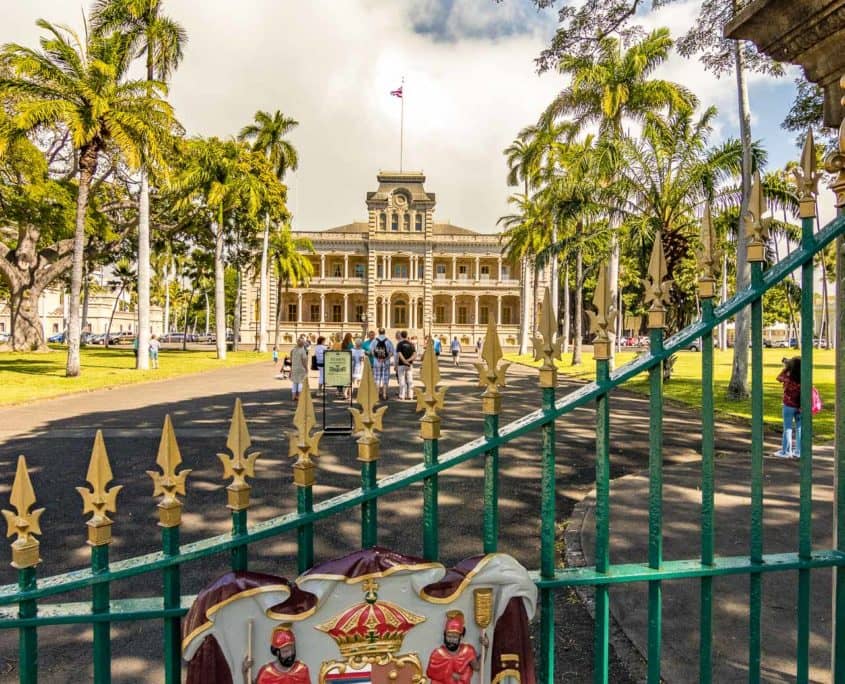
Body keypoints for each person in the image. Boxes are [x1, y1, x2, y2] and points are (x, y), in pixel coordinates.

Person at [425, 611, 486, 684]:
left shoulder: (468, 651)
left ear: (461, 637)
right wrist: (450, 674)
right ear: (445, 635)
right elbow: (430, 673)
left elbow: (477, 667)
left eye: (455, 637)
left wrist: (486, 647)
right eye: (449, 636)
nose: (451, 640)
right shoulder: (437, 654)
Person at [242, 624, 311, 684]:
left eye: (292, 650)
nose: (290, 654)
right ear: (277, 652)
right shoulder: (266, 672)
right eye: (286, 651)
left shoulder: (302, 670)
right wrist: (245, 672)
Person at [775, 356, 802, 458]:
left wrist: (786, 368)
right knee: (800, 428)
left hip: (788, 406)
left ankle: (786, 451)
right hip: (800, 406)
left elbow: (778, 378)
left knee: (788, 428)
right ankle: (799, 451)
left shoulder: (788, 377)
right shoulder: (803, 377)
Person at [371, 328, 394, 401]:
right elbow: (391, 352)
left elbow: (371, 351)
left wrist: (377, 358)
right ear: (384, 332)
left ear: (378, 332)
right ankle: (384, 394)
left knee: (377, 378)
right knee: (385, 378)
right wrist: (385, 359)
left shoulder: (374, 341)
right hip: (385, 362)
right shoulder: (388, 341)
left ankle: (377, 395)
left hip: (376, 362)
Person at [396, 331, 416, 401]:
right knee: (410, 380)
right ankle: (410, 395)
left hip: (401, 364)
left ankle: (402, 395)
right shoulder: (411, 344)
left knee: (402, 380)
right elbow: (414, 355)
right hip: (409, 364)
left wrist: (404, 361)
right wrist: (408, 360)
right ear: (407, 335)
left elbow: (399, 353)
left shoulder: (400, 344)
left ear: (401, 335)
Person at [289, 336, 308, 401]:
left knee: (294, 382)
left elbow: (291, 359)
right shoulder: (303, 351)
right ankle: (299, 396)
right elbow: (304, 361)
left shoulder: (293, 350)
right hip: (301, 368)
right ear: (303, 344)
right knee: (300, 382)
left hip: (294, 367)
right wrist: (306, 368)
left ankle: (293, 396)